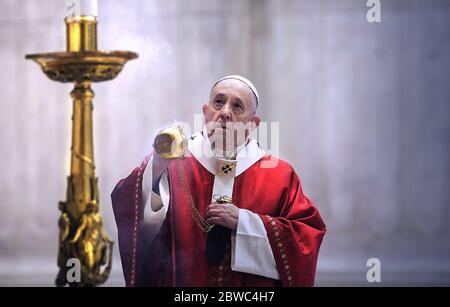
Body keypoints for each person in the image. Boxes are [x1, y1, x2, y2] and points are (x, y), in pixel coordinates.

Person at [111, 75, 326, 287]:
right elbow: (132, 207)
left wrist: (244, 222)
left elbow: (306, 236)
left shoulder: (279, 175)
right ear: (206, 112)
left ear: (253, 124)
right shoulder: (174, 163)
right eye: (219, 102)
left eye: (237, 106)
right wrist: (155, 168)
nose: (225, 113)